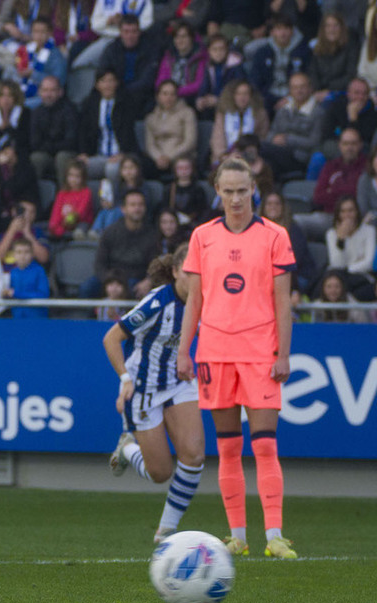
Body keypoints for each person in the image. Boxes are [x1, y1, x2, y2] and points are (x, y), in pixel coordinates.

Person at [177, 157, 299, 559]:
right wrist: (184, 351)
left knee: (265, 445)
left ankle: (275, 536)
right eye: (228, 191)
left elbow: (283, 302)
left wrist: (283, 353)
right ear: (217, 191)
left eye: (242, 191)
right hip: (214, 353)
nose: (235, 199)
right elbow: (195, 300)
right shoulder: (202, 237)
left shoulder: (275, 236)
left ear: (253, 190)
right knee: (228, 448)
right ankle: (239, 538)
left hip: (260, 353)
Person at [104, 244, 205, 543]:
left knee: (194, 455)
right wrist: (125, 379)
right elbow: (111, 338)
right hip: (143, 387)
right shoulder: (157, 302)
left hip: (178, 382)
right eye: (188, 271)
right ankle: (127, 449)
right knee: (160, 473)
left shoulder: (205, 299)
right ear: (175, 272)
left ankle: (165, 531)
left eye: (199, 272)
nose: (195, 277)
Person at [82, 188, 160, 299]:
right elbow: (99, 264)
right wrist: (110, 283)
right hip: (110, 277)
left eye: (140, 205)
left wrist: (148, 281)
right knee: (87, 288)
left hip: (136, 279)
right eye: (132, 205)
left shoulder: (152, 235)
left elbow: (155, 265)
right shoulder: (110, 232)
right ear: (123, 209)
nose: (137, 208)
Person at [326, 195, 377, 301]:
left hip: (361, 277)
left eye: (350, 211)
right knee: (331, 285)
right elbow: (336, 264)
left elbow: (368, 263)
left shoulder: (369, 231)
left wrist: (348, 269)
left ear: (357, 212)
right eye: (343, 211)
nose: (347, 215)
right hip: (340, 278)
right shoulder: (331, 234)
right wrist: (341, 240)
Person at [143, 80, 197, 180]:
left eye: (172, 94)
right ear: (158, 96)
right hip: (157, 159)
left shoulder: (187, 113)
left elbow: (189, 142)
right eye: (165, 94)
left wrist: (169, 157)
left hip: (180, 155)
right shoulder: (151, 117)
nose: (168, 98)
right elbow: (150, 144)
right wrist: (158, 157)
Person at [209, 79, 269, 167]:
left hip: (251, 159)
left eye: (245, 94)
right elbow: (217, 139)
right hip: (225, 157)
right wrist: (224, 156)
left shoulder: (259, 114)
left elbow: (263, 138)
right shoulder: (222, 114)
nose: (242, 98)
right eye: (238, 94)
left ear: (251, 96)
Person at [29, 74, 77, 183]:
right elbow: (34, 142)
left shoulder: (70, 110)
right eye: (45, 90)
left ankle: (64, 192)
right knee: (36, 158)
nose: (48, 94)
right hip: (46, 153)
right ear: (40, 92)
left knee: (62, 157)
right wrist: (50, 147)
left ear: (60, 92)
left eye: (52, 90)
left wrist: (49, 146)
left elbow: (71, 141)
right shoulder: (36, 113)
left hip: (66, 153)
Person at [4, 235, 50, 318]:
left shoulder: (39, 271)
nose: (23, 256)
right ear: (13, 254)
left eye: (26, 252)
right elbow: (8, 293)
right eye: (19, 252)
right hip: (17, 318)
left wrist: (16, 293)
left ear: (32, 254)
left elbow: (43, 295)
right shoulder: (13, 272)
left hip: (37, 318)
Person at [48, 159, 93, 241]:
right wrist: (54, 225)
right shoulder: (62, 194)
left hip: (80, 222)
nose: (73, 179)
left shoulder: (86, 192)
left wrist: (71, 220)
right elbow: (56, 211)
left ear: (83, 178)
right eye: (71, 176)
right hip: (64, 224)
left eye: (77, 176)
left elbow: (81, 212)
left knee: (82, 228)